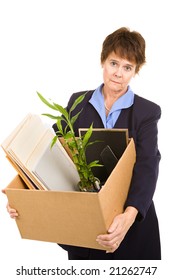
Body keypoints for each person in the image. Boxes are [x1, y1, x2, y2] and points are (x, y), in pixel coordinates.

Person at [5, 27, 161, 260]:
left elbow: (148, 166)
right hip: (84, 223)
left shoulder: (146, 112)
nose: (118, 73)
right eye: (114, 63)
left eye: (127, 67)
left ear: (135, 71)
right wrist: (24, 196)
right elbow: (51, 152)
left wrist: (128, 216)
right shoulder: (77, 103)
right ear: (103, 61)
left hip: (130, 225)